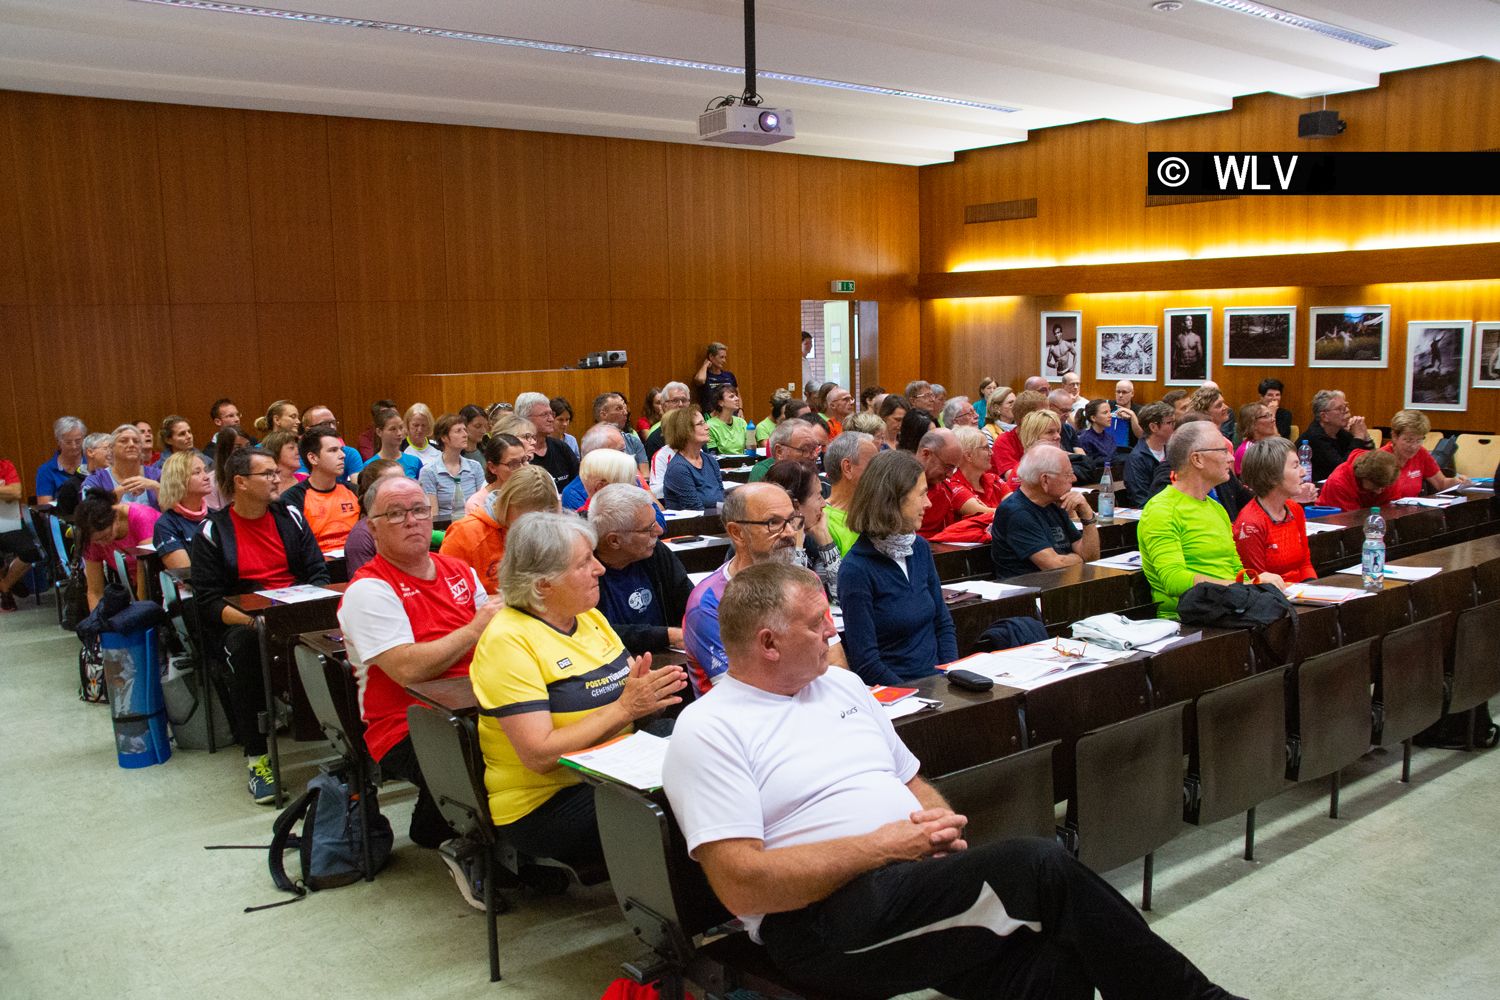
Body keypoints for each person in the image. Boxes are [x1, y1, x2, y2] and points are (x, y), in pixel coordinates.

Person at [662, 561, 1242, 1000]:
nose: (832, 634)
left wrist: (934, 826)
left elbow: (909, 778)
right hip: (820, 925)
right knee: (1038, 868)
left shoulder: (840, 686)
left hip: (905, 880)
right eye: (816, 626)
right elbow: (741, 885)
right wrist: (883, 847)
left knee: (1050, 957)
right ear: (768, 643)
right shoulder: (711, 728)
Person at [469, 512, 688, 871]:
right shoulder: (507, 641)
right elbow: (539, 756)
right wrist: (626, 708)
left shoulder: (588, 617)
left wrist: (649, 698)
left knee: (707, 751)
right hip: (547, 802)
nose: (599, 569)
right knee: (688, 798)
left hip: (615, 765)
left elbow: (631, 705)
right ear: (543, 584)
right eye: (584, 562)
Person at [337, 475, 498, 877]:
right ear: (372, 527)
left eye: (419, 510)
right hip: (405, 723)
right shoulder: (368, 590)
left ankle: (442, 825)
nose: (412, 520)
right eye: (395, 513)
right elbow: (408, 669)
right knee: (493, 749)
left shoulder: (458, 570)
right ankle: (473, 843)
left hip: (473, 701)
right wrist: (474, 629)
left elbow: (496, 639)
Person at [192, 446, 329, 803]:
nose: (276, 479)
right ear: (240, 482)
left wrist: (305, 610)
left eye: (275, 472)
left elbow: (318, 572)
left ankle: (353, 745)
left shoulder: (291, 517)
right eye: (267, 474)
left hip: (297, 611)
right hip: (247, 620)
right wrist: (256, 623)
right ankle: (257, 757)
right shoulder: (212, 531)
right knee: (244, 651)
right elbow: (208, 602)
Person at [683, 483, 848, 694]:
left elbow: (835, 662)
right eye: (773, 523)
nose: (790, 532)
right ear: (737, 532)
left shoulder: (805, 580)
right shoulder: (708, 603)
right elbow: (746, 693)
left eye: (791, 520)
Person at [1139, 421, 1285, 619]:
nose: (1231, 458)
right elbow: (1174, 580)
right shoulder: (1161, 510)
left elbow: (1235, 569)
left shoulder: (1216, 508)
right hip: (1187, 620)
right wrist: (1245, 586)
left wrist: (1254, 582)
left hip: (1228, 609)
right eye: (1223, 451)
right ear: (1197, 459)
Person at [838, 449, 957, 685]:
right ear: (894, 499)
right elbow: (867, 662)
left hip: (939, 682)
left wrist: (950, 675)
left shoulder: (919, 548)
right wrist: (914, 695)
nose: (928, 503)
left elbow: (943, 623)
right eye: (921, 494)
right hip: (897, 693)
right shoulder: (856, 569)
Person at [588, 483, 691, 656]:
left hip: (671, 656)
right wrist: (667, 636)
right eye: (648, 528)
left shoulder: (654, 551)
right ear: (614, 541)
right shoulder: (584, 569)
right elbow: (595, 632)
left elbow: (688, 597)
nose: (659, 531)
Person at [441, 465, 559, 595]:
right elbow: (446, 595)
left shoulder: (546, 532)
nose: (531, 527)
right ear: (507, 503)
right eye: (525, 518)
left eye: (539, 520)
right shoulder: (465, 533)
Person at [991, 445, 1101, 579]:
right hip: (1029, 589)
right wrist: (1079, 559)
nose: (1074, 478)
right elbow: (1054, 566)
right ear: (1045, 480)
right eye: (1068, 474)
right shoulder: (1016, 512)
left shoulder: (1054, 503)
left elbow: (1091, 557)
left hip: (1060, 584)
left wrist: (1087, 515)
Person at [1233, 437, 1316, 585]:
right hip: (1272, 595)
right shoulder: (1250, 524)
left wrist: (1314, 589)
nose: (1303, 472)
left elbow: (1305, 564)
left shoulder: (1294, 509)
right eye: (1295, 466)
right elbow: (1258, 580)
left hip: (1301, 591)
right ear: (1272, 477)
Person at [763, 459, 842, 600]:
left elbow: (840, 596)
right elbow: (799, 600)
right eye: (819, 496)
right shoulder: (764, 548)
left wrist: (824, 539)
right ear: (795, 506)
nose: (824, 504)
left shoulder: (812, 538)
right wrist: (797, 545)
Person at [73, 488, 160, 608]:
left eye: (106, 536)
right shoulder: (91, 539)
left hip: (157, 584)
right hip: (131, 585)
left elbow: (146, 577)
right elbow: (95, 592)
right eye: (97, 541)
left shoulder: (142, 518)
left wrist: (138, 614)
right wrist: (97, 617)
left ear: (116, 517)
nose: (103, 544)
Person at [278, 427, 359, 554]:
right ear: (313, 458)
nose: (343, 455)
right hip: (317, 563)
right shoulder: (293, 499)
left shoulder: (355, 492)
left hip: (356, 560)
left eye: (341, 450)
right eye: (333, 450)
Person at [914, 428, 993, 538]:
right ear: (926, 454)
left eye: (954, 468)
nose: (950, 475)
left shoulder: (945, 488)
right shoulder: (897, 484)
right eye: (948, 467)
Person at [1382, 409, 1468, 497]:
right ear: (1394, 436)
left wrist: (1457, 482)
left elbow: (1441, 483)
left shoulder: (1421, 453)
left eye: (1419, 440)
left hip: (1413, 505)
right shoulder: (1380, 458)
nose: (1414, 446)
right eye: (1408, 440)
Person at [417, 413, 484, 524]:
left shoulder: (475, 467)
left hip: (473, 524)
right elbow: (433, 516)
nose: (465, 435)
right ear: (444, 438)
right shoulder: (429, 471)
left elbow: (482, 505)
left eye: (465, 430)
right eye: (458, 431)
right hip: (444, 528)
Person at [152, 451, 214, 570]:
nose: (206, 477)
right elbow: (185, 573)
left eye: (205, 471)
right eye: (197, 472)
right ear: (178, 480)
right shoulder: (166, 525)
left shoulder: (217, 516)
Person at [343, 459, 405, 576]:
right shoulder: (362, 535)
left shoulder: (410, 522)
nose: (403, 488)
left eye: (404, 481)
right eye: (393, 484)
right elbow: (364, 583)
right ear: (372, 491)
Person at [1298, 390, 1374, 482]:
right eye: (1340, 408)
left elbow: (1371, 461)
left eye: (1346, 406)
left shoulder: (1340, 433)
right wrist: (1358, 437)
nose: (1347, 410)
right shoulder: (1315, 437)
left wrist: (1365, 435)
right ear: (1324, 416)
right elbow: (1342, 469)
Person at [823, 431, 878, 556]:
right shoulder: (822, 522)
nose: (880, 472)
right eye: (873, 465)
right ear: (847, 468)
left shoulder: (879, 511)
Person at [662, 407, 725, 511]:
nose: (707, 427)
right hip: (691, 521)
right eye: (700, 424)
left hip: (715, 518)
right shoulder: (678, 469)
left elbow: (722, 499)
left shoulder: (711, 461)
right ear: (685, 430)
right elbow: (695, 510)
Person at [82, 424, 160, 507]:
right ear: (111, 448)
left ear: (141, 448)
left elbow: (170, 512)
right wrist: (120, 491)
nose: (131, 444)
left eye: (136, 441)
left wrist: (156, 487)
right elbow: (90, 513)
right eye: (124, 441)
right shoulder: (96, 480)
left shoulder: (158, 475)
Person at [0, 456, 42, 611]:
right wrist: (5, 491)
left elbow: (16, 492)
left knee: (31, 551)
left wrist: (10, 493)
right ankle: (6, 593)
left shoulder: (5, 465)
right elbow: (9, 492)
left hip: (9, 520)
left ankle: (5, 586)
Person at [516, 391, 580, 491]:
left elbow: (579, 483)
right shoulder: (517, 453)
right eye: (544, 415)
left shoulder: (561, 447)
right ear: (525, 419)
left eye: (551, 414)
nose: (551, 419)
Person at [1123, 402, 1174, 508]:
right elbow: (1140, 500)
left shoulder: (1172, 452)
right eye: (1170, 423)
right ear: (1153, 427)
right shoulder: (1137, 459)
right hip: (1154, 512)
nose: (1174, 426)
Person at [988, 389, 1047, 479]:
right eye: (1043, 415)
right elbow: (1014, 478)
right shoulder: (1004, 441)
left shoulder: (1046, 437)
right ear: (1026, 419)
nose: (1048, 418)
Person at [1317, 448, 1401, 511]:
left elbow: (1392, 510)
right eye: (1375, 485)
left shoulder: (1388, 477)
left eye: (1383, 487)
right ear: (1363, 475)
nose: (1379, 491)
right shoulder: (1339, 482)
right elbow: (1350, 520)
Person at [951, 425, 1008, 509]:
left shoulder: (994, 479)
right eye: (986, 448)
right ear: (968, 456)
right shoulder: (952, 485)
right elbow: (983, 512)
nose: (991, 453)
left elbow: (1015, 505)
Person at [748, 418, 820, 483]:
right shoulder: (764, 473)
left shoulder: (816, 481)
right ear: (779, 451)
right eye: (805, 450)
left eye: (814, 449)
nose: (814, 456)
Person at [594, 391, 649, 475]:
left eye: (624, 407)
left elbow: (645, 475)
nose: (625, 412)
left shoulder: (633, 441)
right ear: (604, 415)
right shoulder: (592, 444)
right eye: (618, 408)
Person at [35, 415, 86, 505]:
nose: (74, 446)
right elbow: (45, 506)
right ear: (59, 442)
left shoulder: (93, 464)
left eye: (78, 441)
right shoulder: (46, 471)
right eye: (68, 442)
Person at [370, 406, 425, 480]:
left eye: (401, 427)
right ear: (379, 432)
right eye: (393, 429)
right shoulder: (370, 466)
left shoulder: (414, 462)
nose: (399, 433)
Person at [644, 381, 693, 460]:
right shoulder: (655, 439)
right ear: (664, 405)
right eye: (675, 400)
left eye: (684, 400)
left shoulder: (695, 433)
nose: (680, 404)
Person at [704, 384, 753, 456]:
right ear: (720, 403)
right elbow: (713, 455)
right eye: (732, 396)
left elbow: (751, 450)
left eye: (736, 395)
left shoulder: (741, 422)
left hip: (743, 461)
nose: (737, 398)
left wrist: (752, 437)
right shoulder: (710, 426)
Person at [1232, 402, 1279, 473]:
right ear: (1252, 424)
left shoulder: (1267, 444)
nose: (1273, 419)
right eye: (1266, 416)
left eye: (1271, 415)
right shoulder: (1248, 451)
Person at [693, 341, 738, 412]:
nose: (724, 360)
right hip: (711, 414)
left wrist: (740, 409)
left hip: (730, 413)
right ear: (711, 356)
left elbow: (737, 394)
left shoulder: (729, 375)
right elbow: (700, 380)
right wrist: (705, 365)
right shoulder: (705, 376)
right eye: (721, 357)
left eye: (725, 357)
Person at [1074, 398, 1115, 466]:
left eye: (1110, 412)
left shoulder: (1110, 437)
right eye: (1105, 413)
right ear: (1093, 418)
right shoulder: (1085, 439)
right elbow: (1088, 464)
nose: (1110, 415)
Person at [401, 403, 441, 468]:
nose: (420, 430)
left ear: (429, 426)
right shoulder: (400, 449)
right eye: (415, 425)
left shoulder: (438, 448)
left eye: (423, 425)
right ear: (407, 425)